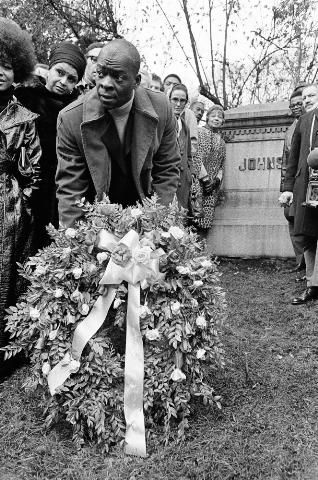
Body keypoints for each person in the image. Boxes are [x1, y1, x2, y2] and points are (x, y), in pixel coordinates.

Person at [55, 39, 181, 227]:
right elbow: (71, 189)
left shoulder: (161, 109)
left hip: (145, 215)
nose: (105, 83)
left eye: (118, 77)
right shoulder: (71, 118)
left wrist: (158, 229)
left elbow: (167, 170)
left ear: (136, 81)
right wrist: (75, 241)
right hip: (94, 219)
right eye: (101, 73)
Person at [0, 18, 41, 375]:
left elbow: (35, 170)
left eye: (7, 65)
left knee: (7, 273)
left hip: (8, 204)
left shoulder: (24, 117)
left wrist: (23, 204)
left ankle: (8, 347)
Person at [15, 42, 86, 250]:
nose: (63, 81)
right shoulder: (24, 98)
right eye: (60, 72)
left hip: (62, 189)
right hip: (27, 186)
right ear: (49, 68)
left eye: (71, 78)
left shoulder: (78, 109)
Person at [280, 83, 318, 305]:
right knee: (308, 235)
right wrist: (287, 188)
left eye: (311, 95)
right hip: (305, 187)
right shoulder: (302, 122)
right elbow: (292, 159)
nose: (306, 101)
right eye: (304, 98)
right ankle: (312, 285)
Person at [280, 89, 305, 275]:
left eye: (299, 103)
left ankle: (311, 267)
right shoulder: (290, 130)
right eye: (293, 104)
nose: (296, 107)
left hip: (307, 182)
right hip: (292, 184)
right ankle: (300, 262)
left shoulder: (311, 123)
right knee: (292, 220)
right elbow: (286, 160)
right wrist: (284, 188)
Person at [192, 104, 225, 232]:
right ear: (207, 118)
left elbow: (222, 164)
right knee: (194, 219)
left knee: (205, 223)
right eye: (213, 116)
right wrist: (205, 180)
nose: (216, 119)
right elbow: (197, 157)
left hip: (212, 188)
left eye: (220, 117)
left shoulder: (221, 141)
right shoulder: (200, 132)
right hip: (198, 183)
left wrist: (216, 180)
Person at [168, 83, 193, 210]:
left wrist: (189, 176)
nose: (178, 104)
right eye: (175, 99)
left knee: (181, 223)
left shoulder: (185, 127)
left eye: (182, 100)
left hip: (183, 184)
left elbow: (188, 155)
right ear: (169, 99)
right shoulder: (162, 122)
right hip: (166, 182)